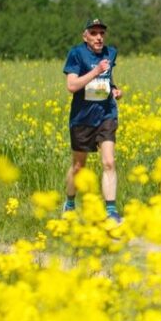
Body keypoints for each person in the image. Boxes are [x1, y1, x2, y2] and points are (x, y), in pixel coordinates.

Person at [62, 18, 123, 222]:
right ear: (85, 36)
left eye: (102, 33)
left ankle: (111, 211)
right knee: (79, 166)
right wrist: (95, 71)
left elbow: (107, 79)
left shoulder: (110, 53)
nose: (99, 37)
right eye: (94, 33)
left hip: (106, 114)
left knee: (109, 162)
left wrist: (114, 89)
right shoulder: (76, 54)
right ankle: (69, 203)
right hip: (82, 118)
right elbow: (71, 86)